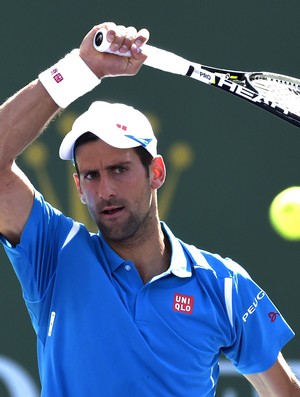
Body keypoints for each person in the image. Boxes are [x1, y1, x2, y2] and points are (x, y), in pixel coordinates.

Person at [0, 21, 299, 397]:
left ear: (156, 172)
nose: (105, 189)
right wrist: (82, 68)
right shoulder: (53, 253)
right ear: (77, 187)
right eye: (91, 176)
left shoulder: (223, 285)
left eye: (119, 170)